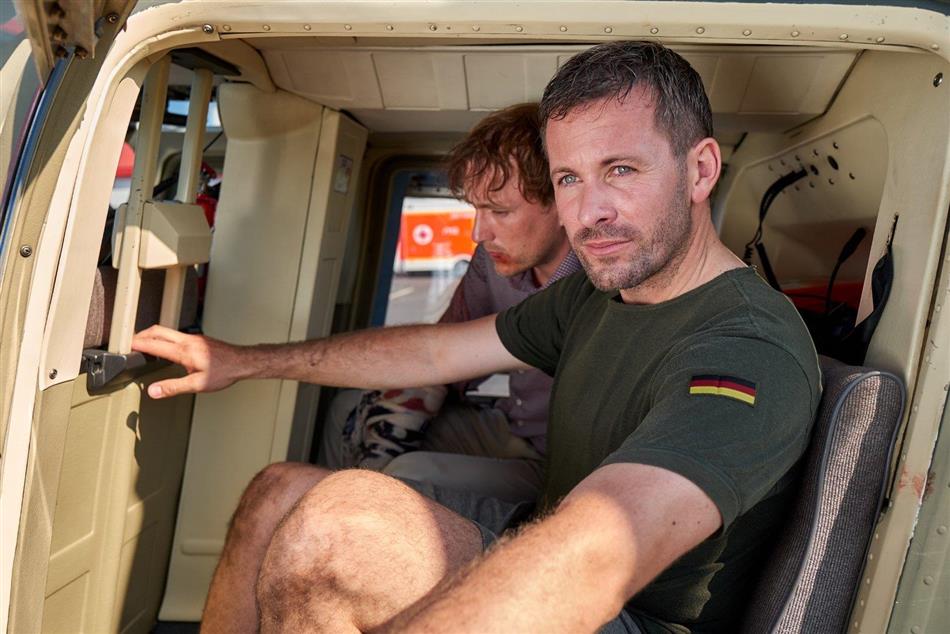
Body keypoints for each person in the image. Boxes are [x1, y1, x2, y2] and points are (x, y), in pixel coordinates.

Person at [134, 41, 820, 633]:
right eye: (570, 178)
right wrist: (243, 361)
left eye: (621, 170)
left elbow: (591, 563)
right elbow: (436, 352)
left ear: (700, 171)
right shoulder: (598, 295)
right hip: (536, 522)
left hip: (626, 616)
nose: (590, 212)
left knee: (336, 527)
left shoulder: (746, 345)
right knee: (277, 491)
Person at [318, 103, 580, 503]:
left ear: (563, 202)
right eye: (476, 209)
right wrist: (390, 425)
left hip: (568, 464)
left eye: (499, 211)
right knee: (347, 411)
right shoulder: (493, 261)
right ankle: (331, 519)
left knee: (406, 476)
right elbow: (442, 353)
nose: (478, 233)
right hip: (513, 427)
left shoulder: (599, 281)